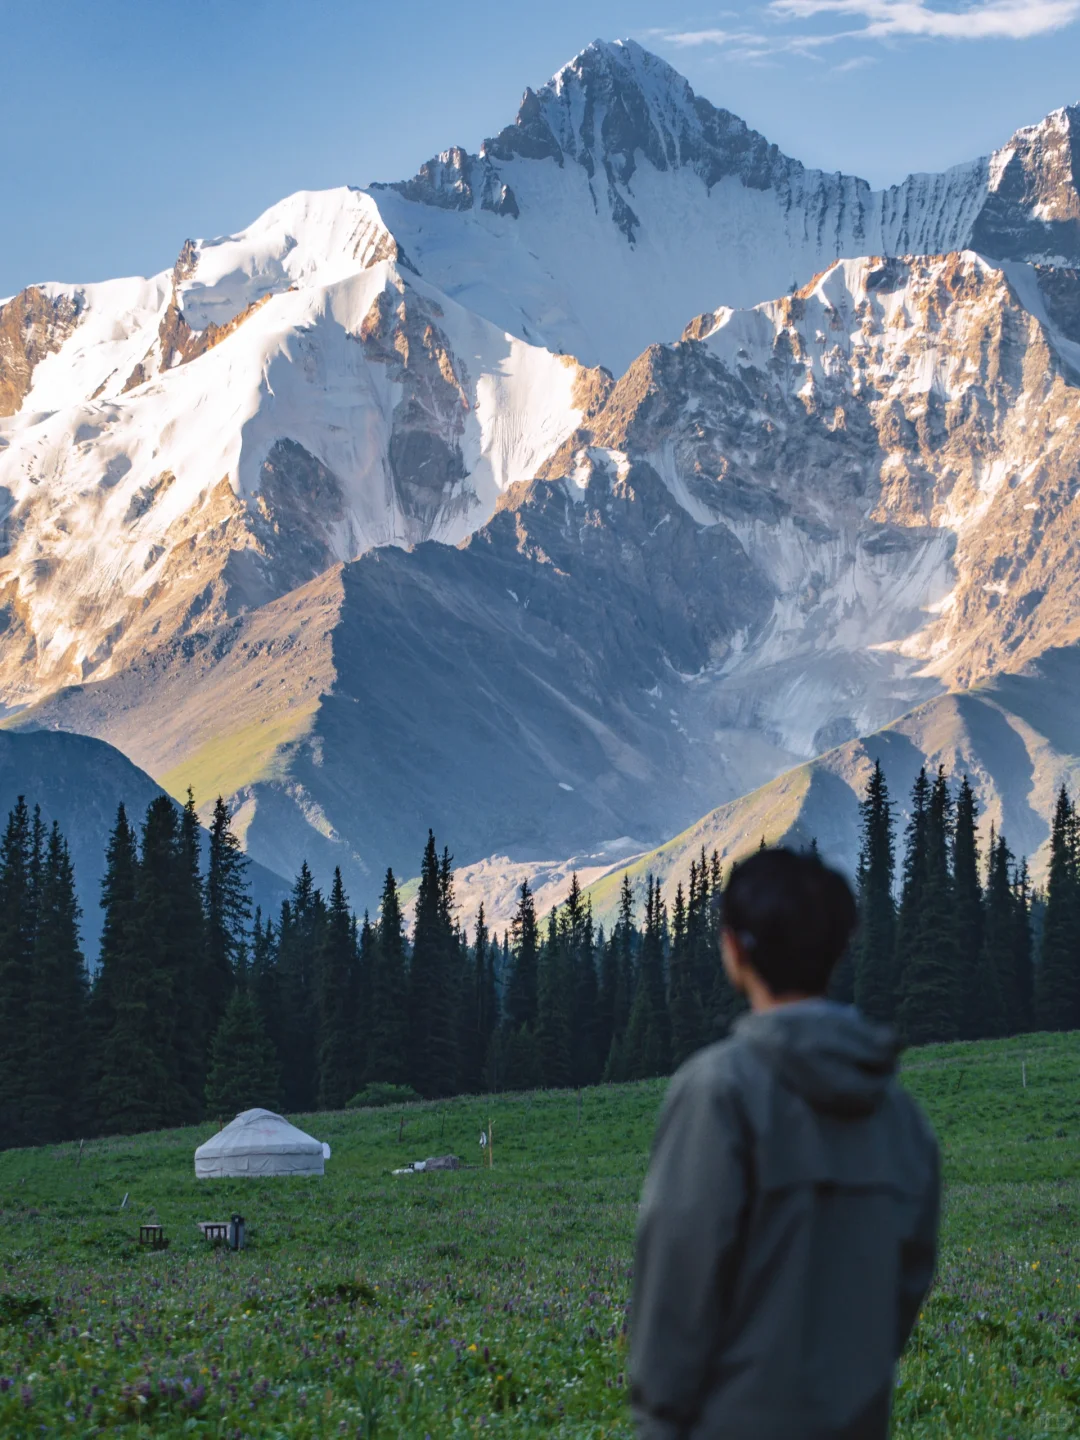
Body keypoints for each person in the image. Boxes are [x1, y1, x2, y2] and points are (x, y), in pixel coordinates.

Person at [630, 847, 940, 1440]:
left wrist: (658, 1419)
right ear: (837, 949)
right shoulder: (900, 1112)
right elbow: (906, 1284)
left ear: (736, 950)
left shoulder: (719, 1092)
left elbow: (679, 1284)